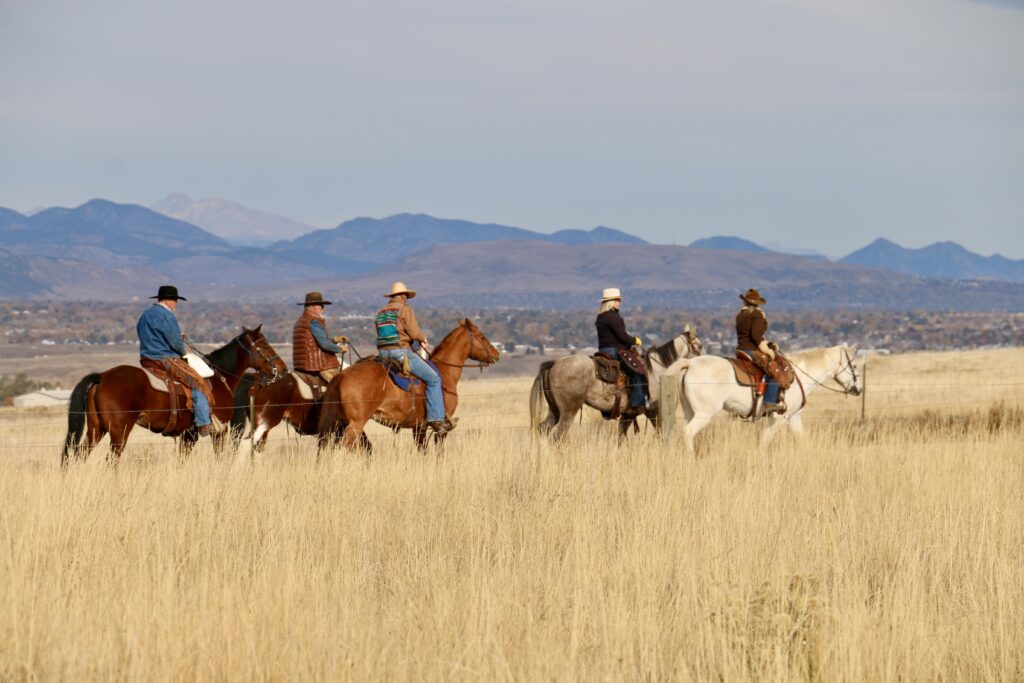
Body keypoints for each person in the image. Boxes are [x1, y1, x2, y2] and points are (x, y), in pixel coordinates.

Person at [136, 285, 218, 436]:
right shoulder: (167, 316)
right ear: (169, 301)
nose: (176, 305)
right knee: (197, 383)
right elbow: (174, 342)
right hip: (165, 359)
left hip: (146, 359)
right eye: (175, 301)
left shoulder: (145, 315)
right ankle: (204, 423)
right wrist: (183, 350)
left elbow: (151, 335)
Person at [374, 281, 451, 434]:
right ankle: (436, 420)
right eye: (406, 296)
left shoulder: (381, 312)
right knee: (433, 379)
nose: (406, 299)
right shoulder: (405, 309)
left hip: (382, 355)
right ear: (403, 296)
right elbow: (414, 332)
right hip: (401, 353)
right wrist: (423, 338)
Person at [595, 287, 648, 410]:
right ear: (611, 302)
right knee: (638, 370)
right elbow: (623, 337)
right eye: (618, 299)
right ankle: (637, 403)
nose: (620, 302)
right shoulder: (613, 317)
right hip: (615, 351)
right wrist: (635, 340)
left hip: (602, 351)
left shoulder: (601, 317)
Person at [735, 287, 784, 414]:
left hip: (741, 349)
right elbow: (756, 335)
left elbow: (748, 336)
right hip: (752, 350)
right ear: (756, 304)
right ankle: (769, 402)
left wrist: (767, 344)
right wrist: (767, 349)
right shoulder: (756, 314)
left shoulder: (740, 315)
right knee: (774, 369)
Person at [292, 291, 347, 383]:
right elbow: (324, 344)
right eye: (321, 306)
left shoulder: (301, 321)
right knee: (344, 384)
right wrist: (339, 348)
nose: (323, 309)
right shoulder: (313, 321)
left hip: (302, 365)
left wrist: (335, 339)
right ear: (314, 307)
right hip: (319, 365)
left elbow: (313, 341)